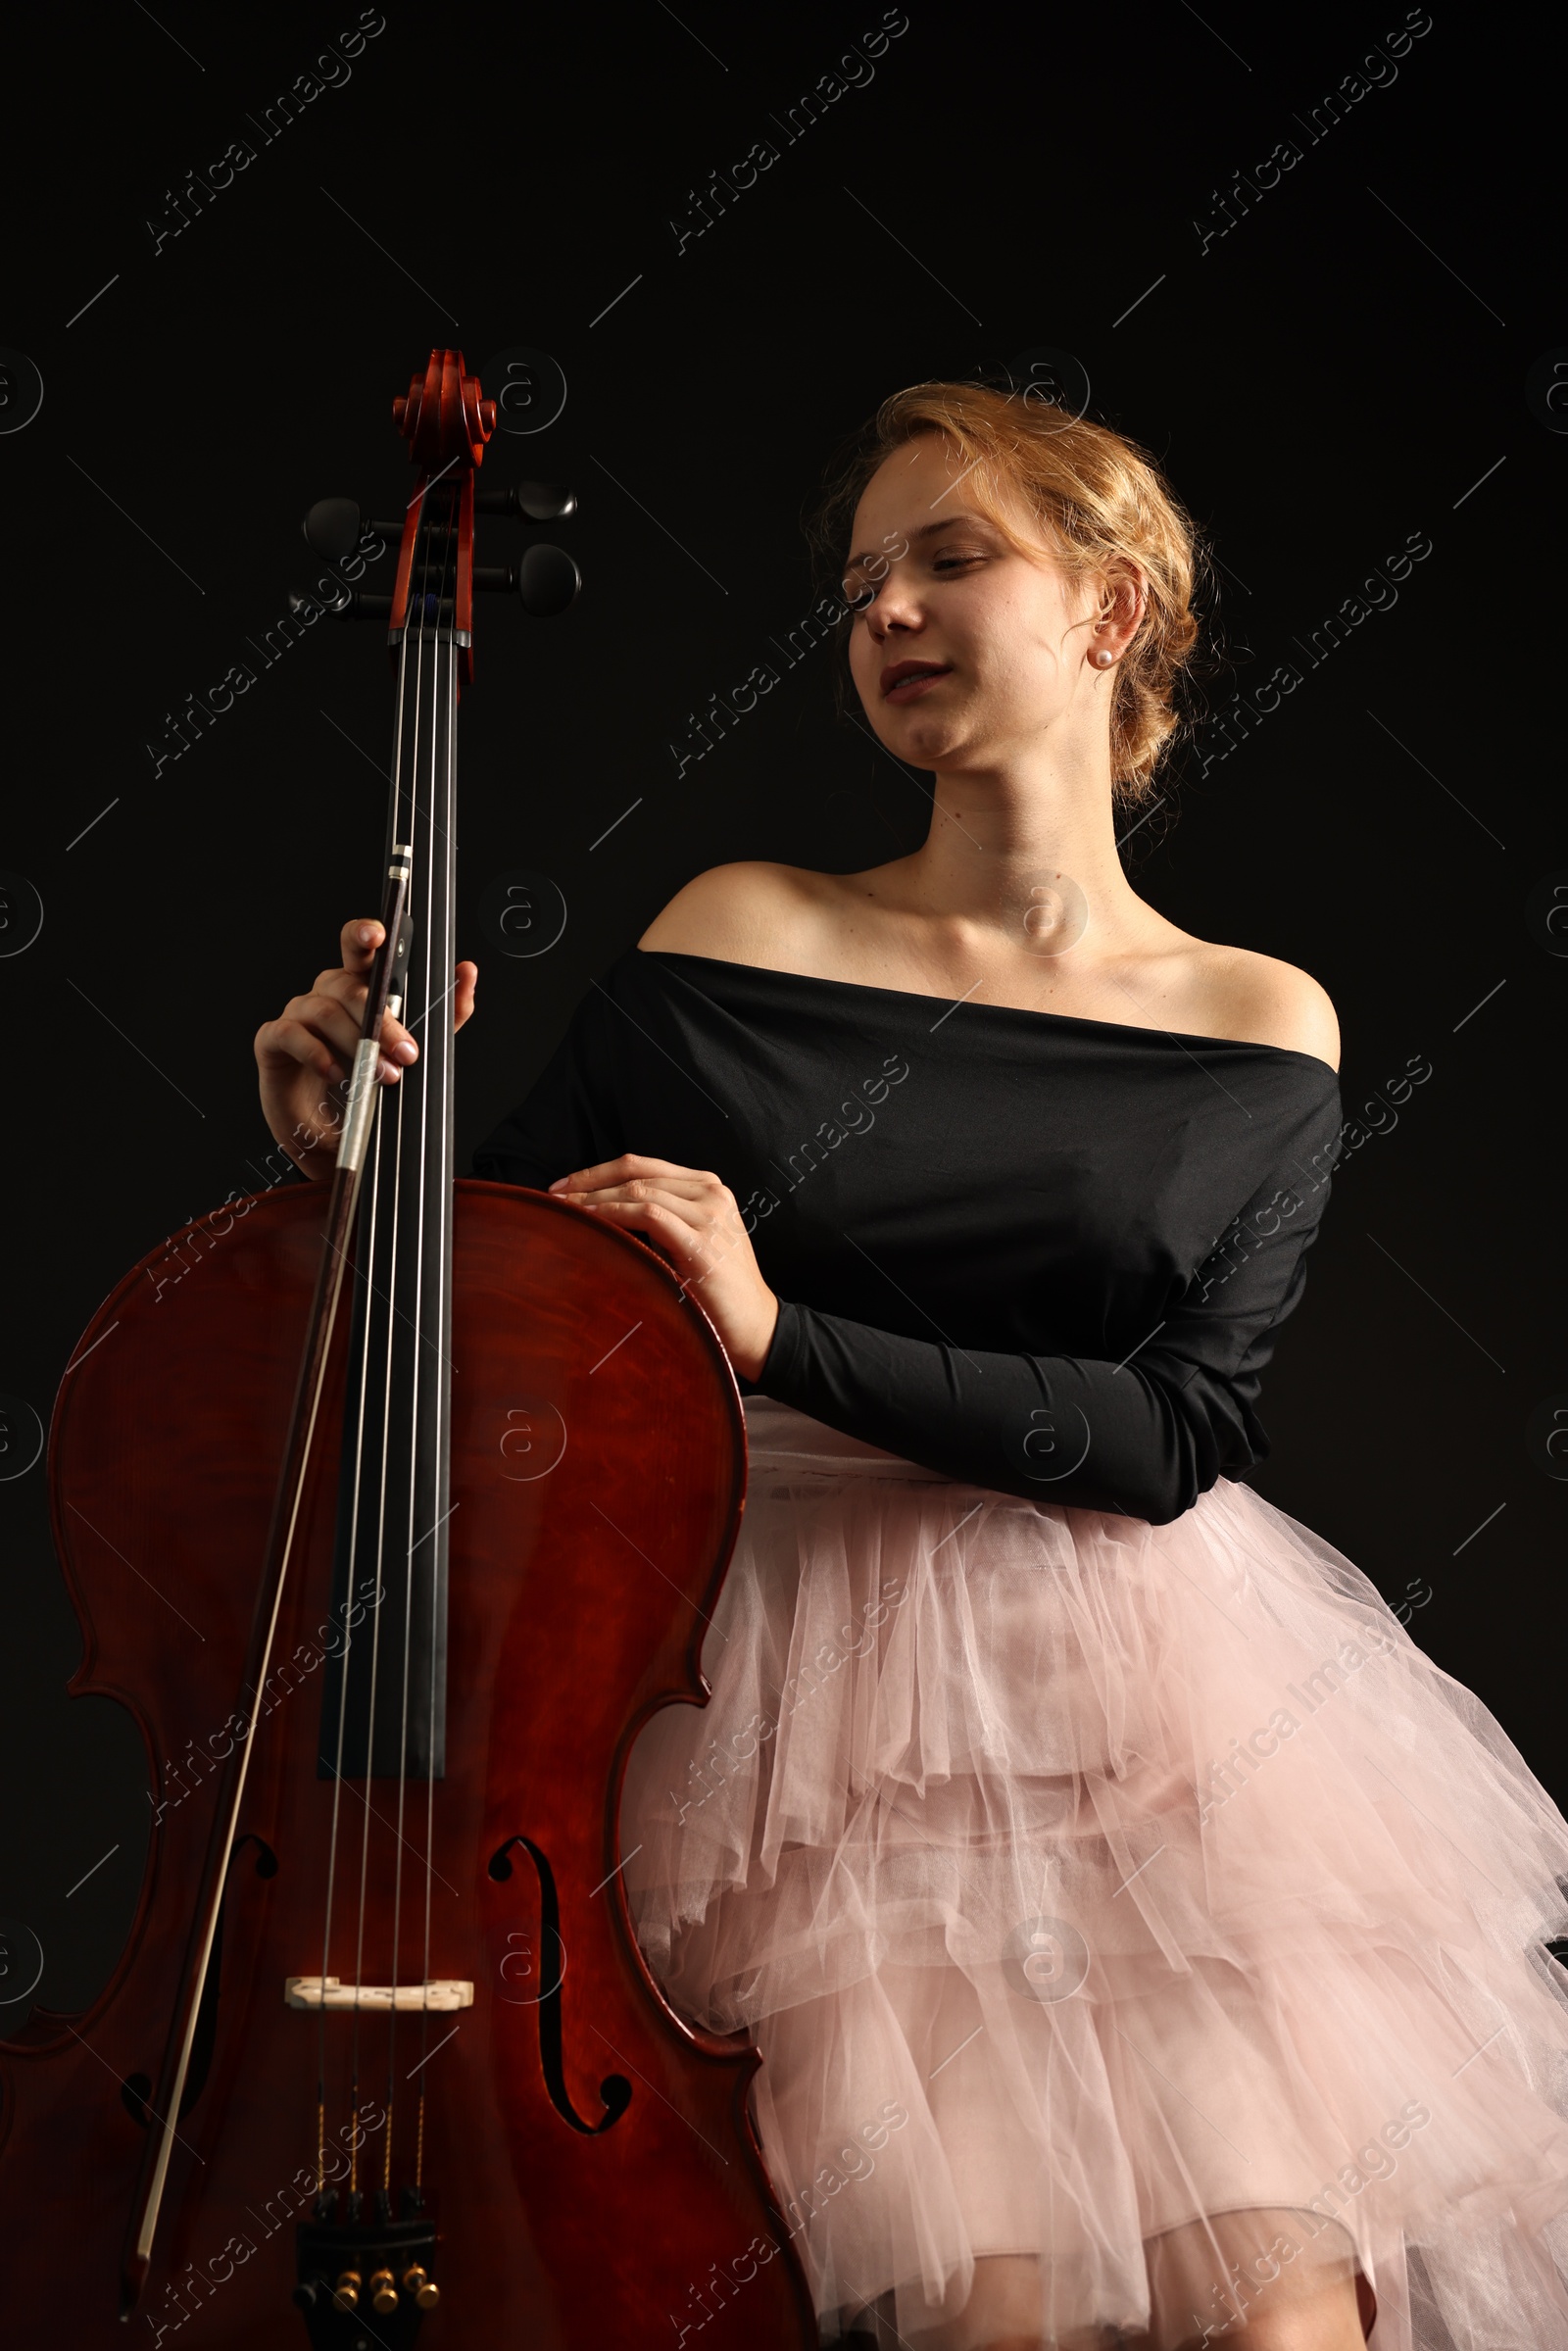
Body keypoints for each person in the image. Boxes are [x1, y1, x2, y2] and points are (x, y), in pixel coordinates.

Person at [256, 383, 1568, 2351]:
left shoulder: (1252, 1021)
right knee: (984, 2318)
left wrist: (780, 1329)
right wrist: (351, 1148)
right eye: (862, 581)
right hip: (799, 1712)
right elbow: (491, 1303)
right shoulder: (740, 933)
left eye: (949, 559)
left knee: (1290, 2327)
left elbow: (1171, 1432)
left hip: (1165, 1716)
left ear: (1110, 609)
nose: (882, 611)